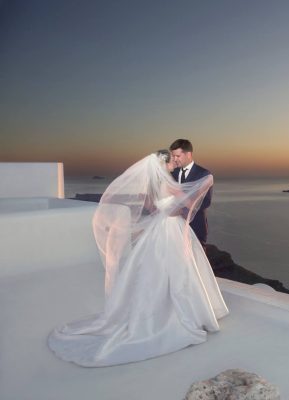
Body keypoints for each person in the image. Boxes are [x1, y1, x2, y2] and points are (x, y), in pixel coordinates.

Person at [48, 150, 228, 367]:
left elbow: (152, 208)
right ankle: (181, 313)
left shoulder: (152, 185)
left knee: (156, 271)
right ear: (163, 164)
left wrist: (169, 207)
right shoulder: (169, 184)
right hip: (171, 228)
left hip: (158, 228)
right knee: (179, 269)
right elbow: (189, 204)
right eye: (171, 161)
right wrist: (202, 185)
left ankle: (154, 311)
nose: (174, 163)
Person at [169, 139, 213, 244]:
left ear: (188, 154)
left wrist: (180, 208)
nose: (174, 159)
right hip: (174, 229)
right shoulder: (172, 173)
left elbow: (205, 202)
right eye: (173, 156)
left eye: (178, 156)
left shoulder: (204, 174)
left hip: (196, 227)